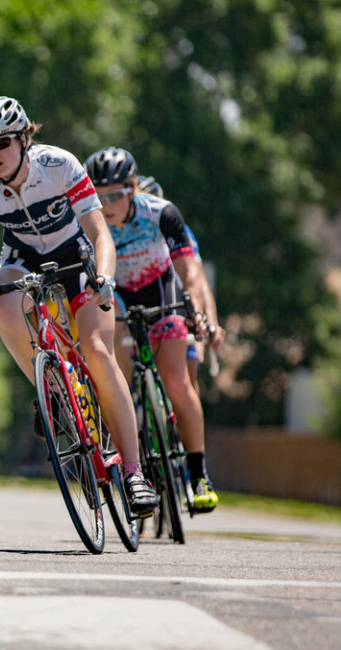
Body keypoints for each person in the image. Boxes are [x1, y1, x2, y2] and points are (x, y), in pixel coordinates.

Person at [0, 97, 158, 515]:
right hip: (21, 259)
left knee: (98, 352)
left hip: (76, 255)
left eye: (1, 143)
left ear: (23, 138)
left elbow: (100, 234)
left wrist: (104, 276)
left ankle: (136, 474)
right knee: (1, 295)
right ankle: (48, 385)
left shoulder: (60, 165)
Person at [85, 149, 218, 512]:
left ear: (132, 189)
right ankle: (128, 470)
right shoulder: (88, 221)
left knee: (176, 380)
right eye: (99, 196)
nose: (107, 204)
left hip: (161, 290)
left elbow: (190, 271)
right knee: (116, 379)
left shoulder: (161, 212)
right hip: (118, 299)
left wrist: (196, 311)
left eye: (115, 195)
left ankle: (198, 472)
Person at [137, 175, 225, 393]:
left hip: (175, 304)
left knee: (189, 372)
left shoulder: (176, 229)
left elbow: (198, 280)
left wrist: (208, 322)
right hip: (140, 305)